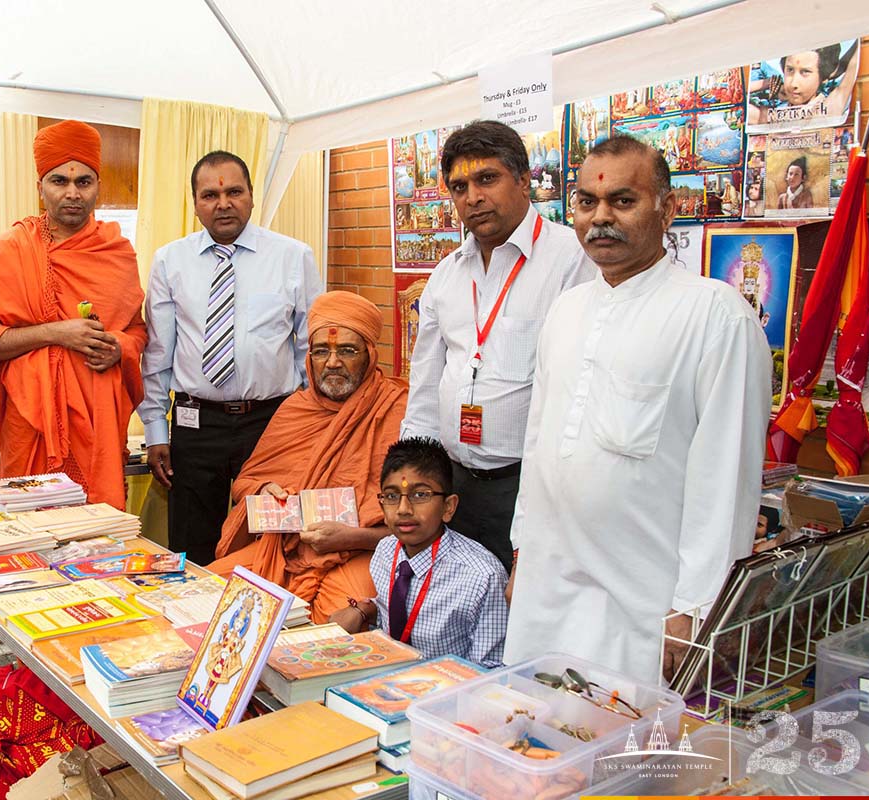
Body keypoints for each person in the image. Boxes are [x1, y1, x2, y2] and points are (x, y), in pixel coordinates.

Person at [504, 136, 771, 685]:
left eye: (622, 201)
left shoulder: (715, 316)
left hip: (644, 606)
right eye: (586, 203)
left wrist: (696, 607)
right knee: (539, 745)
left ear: (668, 208)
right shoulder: (567, 309)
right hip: (548, 586)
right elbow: (540, 441)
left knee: (629, 756)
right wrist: (522, 549)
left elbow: (726, 478)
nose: (600, 218)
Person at [400, 120, 594, 573]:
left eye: (487, 179)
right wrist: (414, 483)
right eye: (459, 186)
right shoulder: (447, 274)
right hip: (456, 487)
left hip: (533, 488)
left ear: (524, 180)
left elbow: (580, 391)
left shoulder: (571, 259)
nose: (472, 197)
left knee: (525, 621)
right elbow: (425, 384)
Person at [139, 151, 321, 564]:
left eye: (234, 191)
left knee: (271, 539)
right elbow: (157, 354)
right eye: (210, 194)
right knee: (192, 543)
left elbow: (310, 347)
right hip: (195, 423)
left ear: (252, 197)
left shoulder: (293, 257)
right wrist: (155, 429)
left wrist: (308, 425)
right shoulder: (171, 261)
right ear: (196, 203)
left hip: (272, 422)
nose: (223, 203)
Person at [0, 121, 147, 509]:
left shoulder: (116, 252)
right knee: (30, 531)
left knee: (98, 537)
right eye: (59, 181)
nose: (72, 193)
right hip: (29, 421)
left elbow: (137, 331)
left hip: (98, 418)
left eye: (84, 182)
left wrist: (119, 347)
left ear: (99, 186)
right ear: (40, 187)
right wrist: (57, 333)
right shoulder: (8, 251)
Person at [208, 292, 407, 621]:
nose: (332, 363)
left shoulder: (398, 410)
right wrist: (265, 489)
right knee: (209, 594)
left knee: (335, 625)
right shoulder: (295, 408)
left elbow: (420, 520)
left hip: (364, 551)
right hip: (283, 550)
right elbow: (246, 482)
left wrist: (352, 537)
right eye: (321, 351)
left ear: (370, 355)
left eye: (347, 350)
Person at [329, 438, 507, 667]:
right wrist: (363, 610)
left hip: (446, 693)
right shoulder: (385, 551)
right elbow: (394, 611)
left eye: (420, 495)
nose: (403, 509)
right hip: (384, 678)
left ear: (448, 507)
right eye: (392, 496)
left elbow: (490, 669)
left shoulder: (483, 577)